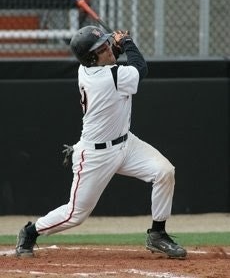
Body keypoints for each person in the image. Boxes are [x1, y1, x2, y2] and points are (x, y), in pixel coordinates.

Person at [15, 25, 187, 259]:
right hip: (96, 155)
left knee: (165, 171)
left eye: (107, 45)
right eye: (103, 47)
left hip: (127, 145)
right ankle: (30, 232)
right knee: (75, 214)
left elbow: (110, 59)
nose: (108, 49)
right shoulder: (108, 77)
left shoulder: (89, 67)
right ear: (92, 57)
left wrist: (113, 45)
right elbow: (141, 68)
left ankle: (157, 234)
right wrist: (126, 42)